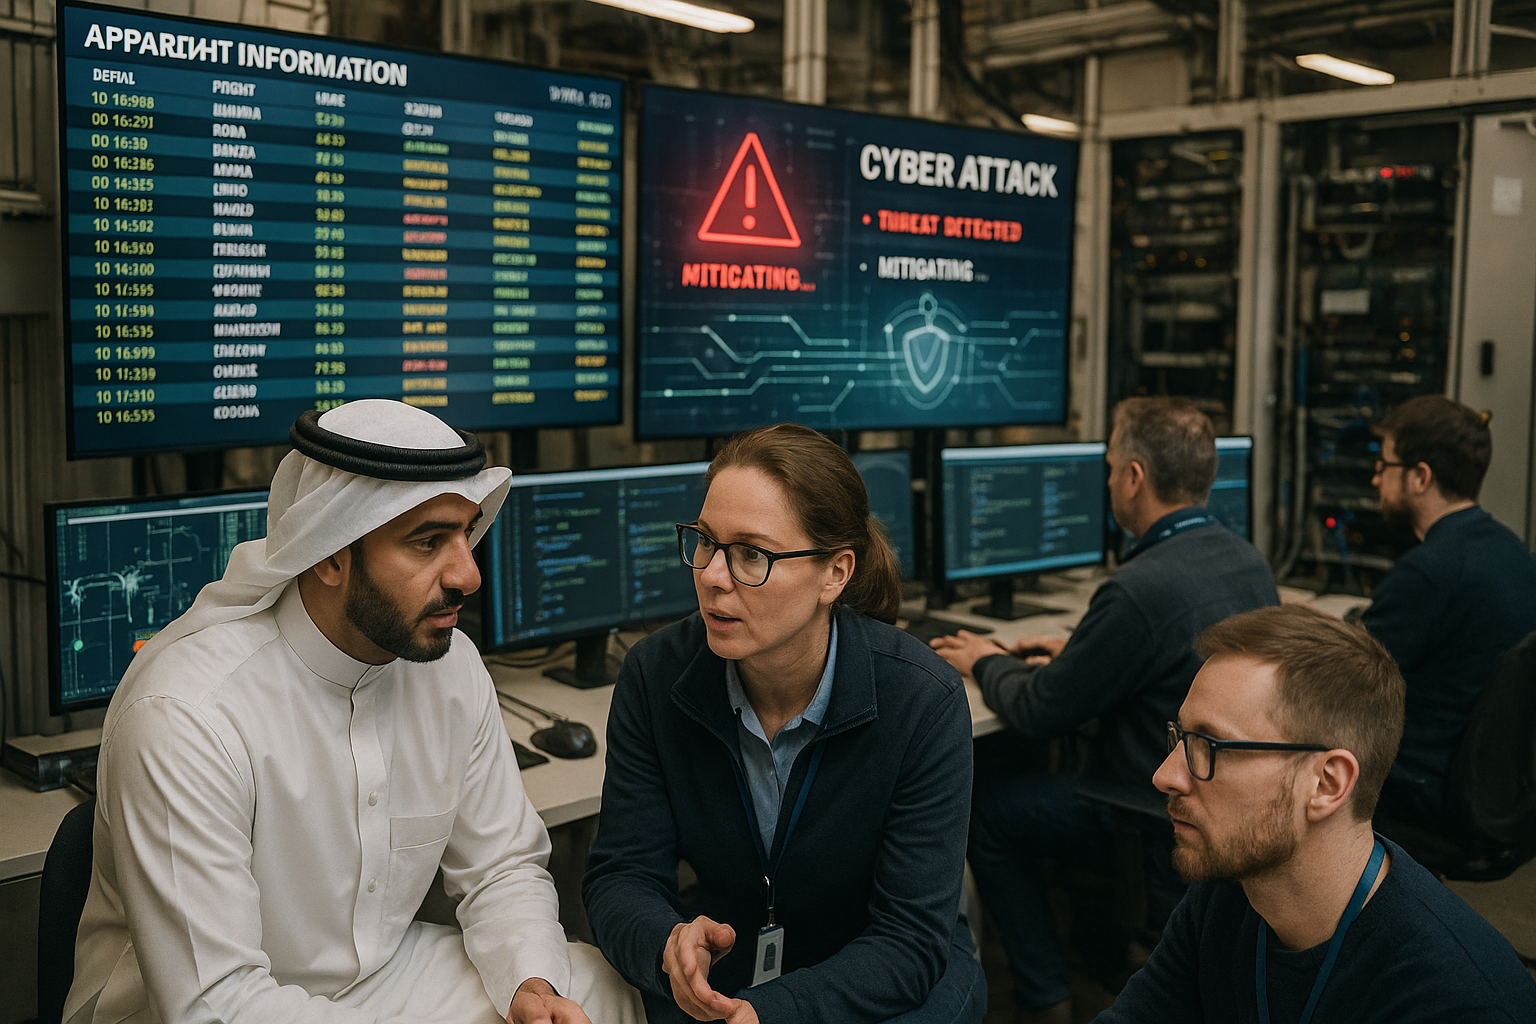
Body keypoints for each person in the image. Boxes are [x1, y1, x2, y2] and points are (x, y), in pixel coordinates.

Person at [66, 401, 642, 1024]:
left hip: (381, 976)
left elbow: (500, 867)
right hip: (201, 1006)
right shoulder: (188, 715)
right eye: (427, 543)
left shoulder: (451, 667)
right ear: (329, 553)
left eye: (466, 534)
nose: (468, 574)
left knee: (593, 988)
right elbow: (214, 1002)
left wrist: (531, 984)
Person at [582, 423, 984, 1024]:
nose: (714, 575)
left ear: (835, 574)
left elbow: (908, 937)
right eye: (705, 542)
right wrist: (666, 943)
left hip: (883, 975)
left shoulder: (923, 699)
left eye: (752, 555)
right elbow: (622, 873)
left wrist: (774, 1011)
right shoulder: (656, 676)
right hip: (735, 963)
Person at [929, 396, 1279, 1024]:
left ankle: (1044, 999)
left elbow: (1039, 711)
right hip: (1226, 793)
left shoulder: (1138, 589)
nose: (1110, 478)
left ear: (1135, 478)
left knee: (988, 811)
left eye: (1113, 465)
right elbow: (1178, 655)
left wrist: (985, 659)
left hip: (1143, 808)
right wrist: (1081, 651)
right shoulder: (1244, 558)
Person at [1095, 603, 1536, 1022]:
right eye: (1181, 737)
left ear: (1327, 784)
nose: (1165, 775)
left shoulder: (1452, 1002)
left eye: (1209, 747)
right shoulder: (1230, 895)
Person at [1361, 395, 1536, 831]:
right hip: (1490, 781)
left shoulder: (1429, 572)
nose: (1374, 478)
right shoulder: (1511, 550)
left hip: (1420, 789)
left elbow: (1346, 681)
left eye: (1384, 465)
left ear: (1420, 477)